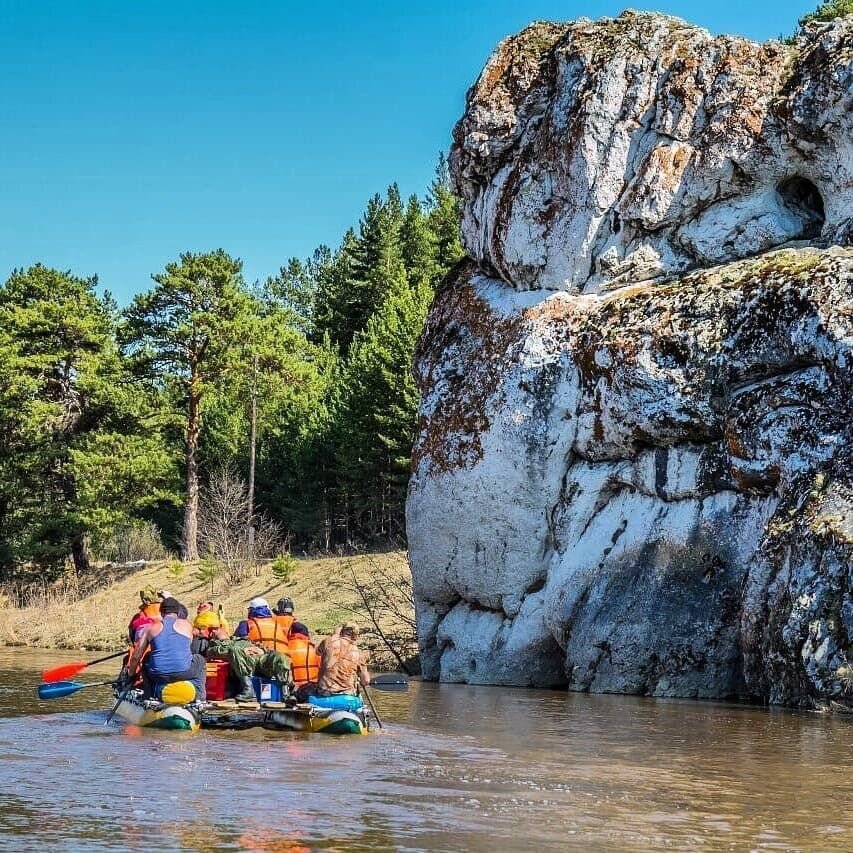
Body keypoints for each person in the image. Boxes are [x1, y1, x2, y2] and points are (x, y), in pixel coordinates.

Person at [125, 597, 206, 702]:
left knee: (146, 658)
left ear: (161, 612)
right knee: (200, 659)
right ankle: (200, 697)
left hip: (158, 675)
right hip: (184, 672)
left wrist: (131, 676)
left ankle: (149, 695)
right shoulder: (187, 626)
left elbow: (135, 658)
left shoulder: (151, 629)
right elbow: (187, 651)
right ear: (177, 612)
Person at [315, 623, 370, 697]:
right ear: (356, 636)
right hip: (347, 693)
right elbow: (366, 681)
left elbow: (317, 652)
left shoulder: (328, 642)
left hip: (324, 692)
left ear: (341, 632)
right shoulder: (358, 653)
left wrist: (335, 635)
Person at [288, 622, 321, 697]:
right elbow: (323, 667)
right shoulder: (312, 649)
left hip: (293, 690)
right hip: (312, 690)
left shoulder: (286, 647)